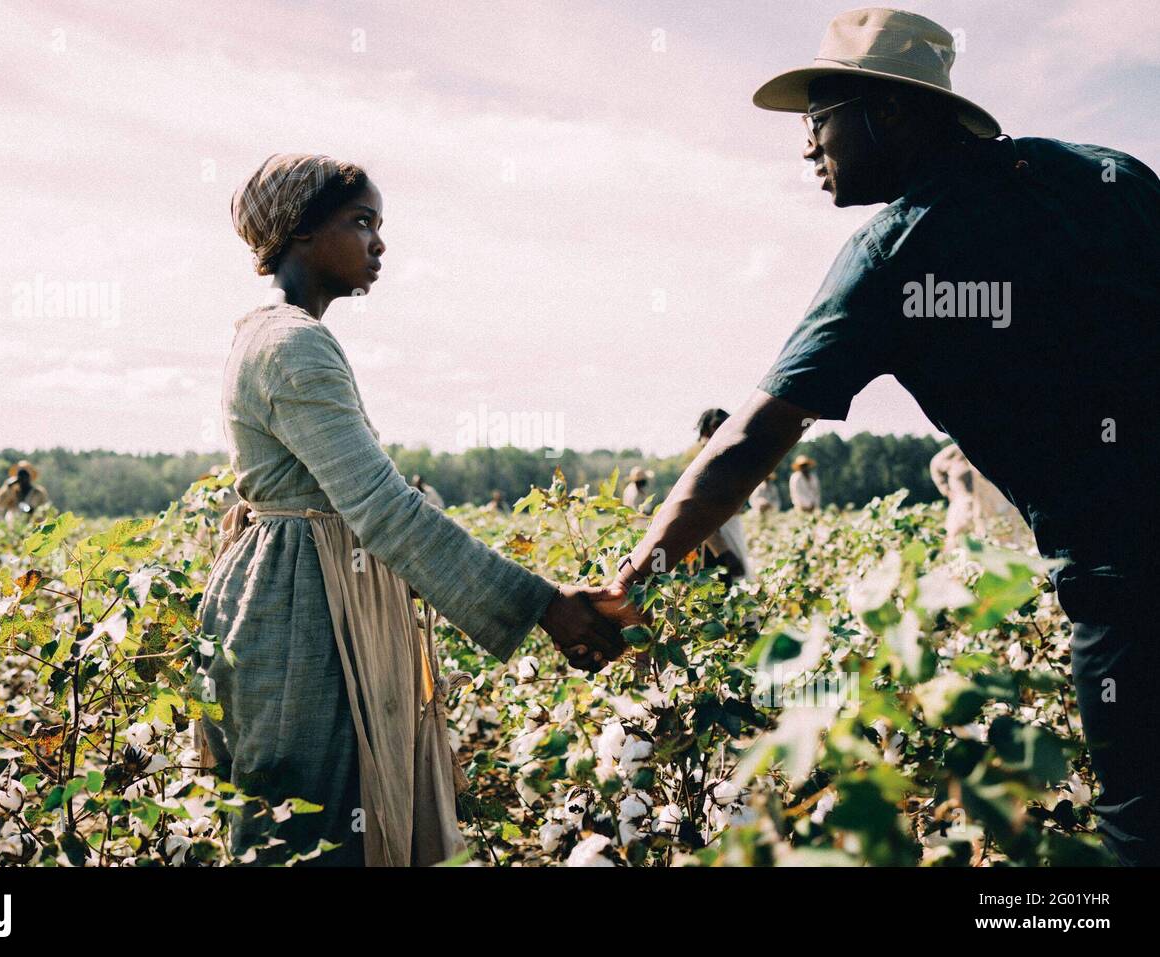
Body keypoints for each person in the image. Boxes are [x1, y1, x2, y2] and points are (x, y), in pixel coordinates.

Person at [598, 8, 1160, 865]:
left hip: (1125, 579)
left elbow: (753, 440)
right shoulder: (1107, 177)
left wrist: (640, 567)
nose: (806, 148)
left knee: (1138, 832)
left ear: (888, 111)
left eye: (818, 120)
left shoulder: (892, 256)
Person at [200, 153, 625, 868]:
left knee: (320, 823)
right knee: (321, 831)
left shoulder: (270, 335)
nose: (379, 243)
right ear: (301, 232)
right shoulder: (293, 345)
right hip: (307, 612)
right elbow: (385, 511)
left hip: (304, 592)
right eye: (361, 222)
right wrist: (546, 605)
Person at [687, 409, 750, 581]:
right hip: (713, 543)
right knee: (716, 593)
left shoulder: (726, 459)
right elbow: (699, 515)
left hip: (731, 532)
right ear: (707, 431)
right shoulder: (705, 463)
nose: (722, 428)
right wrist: (725, 552)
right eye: (717, 425)